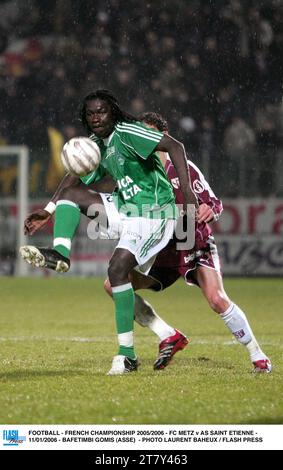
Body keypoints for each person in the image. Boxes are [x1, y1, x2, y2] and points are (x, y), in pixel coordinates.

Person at [21, 111, 272, 374]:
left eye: (148, 134)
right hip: (162, 250)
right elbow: (82, 179)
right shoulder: (132, 168)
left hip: (193, 245)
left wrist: (210, 209)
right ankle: (168, 335)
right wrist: (51, 209)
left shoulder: (183, 170)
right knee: (114, 285)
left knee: (217, 299)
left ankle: (258, 355)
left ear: (162, 137)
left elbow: (214, 203)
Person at [20, 90, 196, 376]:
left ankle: (127, 357)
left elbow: (175, 146)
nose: (96, 117)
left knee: (116, 270)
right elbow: (71, 180)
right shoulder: (95, 144)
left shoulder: (129, 132)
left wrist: (187, 193)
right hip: (126, 209)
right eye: (90, 114)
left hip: (155, 214)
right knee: (73, 194)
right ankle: (61, 254)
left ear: (112, 111)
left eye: (101, 111)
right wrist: (49, 210)